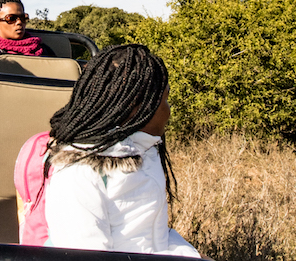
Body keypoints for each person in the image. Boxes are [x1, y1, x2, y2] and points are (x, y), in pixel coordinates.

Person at [42, 44, 200, 257]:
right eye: (164, 100)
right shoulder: (79, 174)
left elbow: (155, 236)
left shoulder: (146, 153)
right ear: (136, 108)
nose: (168, 109)